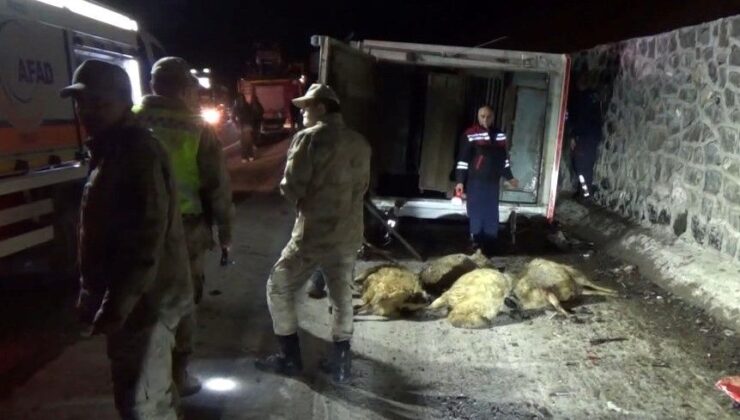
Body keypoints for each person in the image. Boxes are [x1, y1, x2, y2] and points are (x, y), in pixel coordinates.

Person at [64, 60, 193, 420]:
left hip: (146, 305)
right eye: (81, 103)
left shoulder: (136, 152)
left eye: (98, 103)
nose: (86, 112)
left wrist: (113, 308)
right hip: (136, 304)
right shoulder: (111, 149)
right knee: (142, 396)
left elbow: (144, 243)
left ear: (124, 101)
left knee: (143, 405)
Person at [254, 84, 371, 383]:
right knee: (342, 294)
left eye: (307, 106)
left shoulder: (308, 139)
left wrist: (306, 201)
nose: (302, 111)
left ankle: (290, 358)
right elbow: (362, 188)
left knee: (278, 286)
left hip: (313, 234)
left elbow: (292, 186)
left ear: (322, 107)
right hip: (347, 233)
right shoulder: (360, 142)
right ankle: (341, 365)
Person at [132, 57, 234, 397]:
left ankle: (144, 375)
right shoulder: (196, 127)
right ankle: (178, 374)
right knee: (182, 300)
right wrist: (225, 235)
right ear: (185, 89)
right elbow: (216, 186)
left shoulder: (129, 121)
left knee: (140, 297)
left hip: (135, 232)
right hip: (183, 231)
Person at [455, 105, 519, 256]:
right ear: (478, 117)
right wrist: (459, 181)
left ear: (493, 117)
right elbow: (462, 160)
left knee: (491, 212)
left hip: (492, 181)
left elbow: (504, 160)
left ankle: (491, 243)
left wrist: (510, 177)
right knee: (476, 212)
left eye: (488, 116)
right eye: (482, 116)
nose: (485, 119)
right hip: (476, 181)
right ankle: (475, 242)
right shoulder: (471, 134)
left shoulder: (500, 136)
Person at [568, 70, 604, 199]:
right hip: (593, 137)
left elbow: (577, 119)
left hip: (583, 138)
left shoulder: (579, 99)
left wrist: (573, 136)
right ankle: (584, 192)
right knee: (586, 165)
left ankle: (585, 193)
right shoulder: (594, 97)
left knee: (580, 166)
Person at [232, 80, 264, 161]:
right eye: (246, 87)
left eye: (249, 87)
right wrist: (236, 123)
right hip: (243, 123)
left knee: (250, 139)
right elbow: (234, 112)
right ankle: (246, 156)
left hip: (253, 123)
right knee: (245, 140)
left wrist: (256, 107)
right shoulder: (239, 100)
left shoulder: (254, 98)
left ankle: (248, 155)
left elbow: (260, 110)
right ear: (243, 89)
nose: (247, 89)